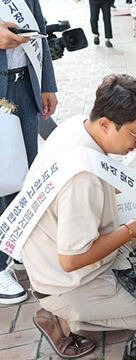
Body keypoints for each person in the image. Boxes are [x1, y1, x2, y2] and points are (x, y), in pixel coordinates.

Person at [13, 74, 136, 358]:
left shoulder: (81, 127)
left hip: (64, 248)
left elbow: (111, 180)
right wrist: (133, 230)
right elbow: (70, 261)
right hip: (65, 280)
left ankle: (96, 297)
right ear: (106, 124)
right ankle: (63, 317)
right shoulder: (82, 180)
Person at [0, 0, 58, 305]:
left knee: (23, 173)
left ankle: (15, 241)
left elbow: (40, 30)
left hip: (24, 86)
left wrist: (47, 85)